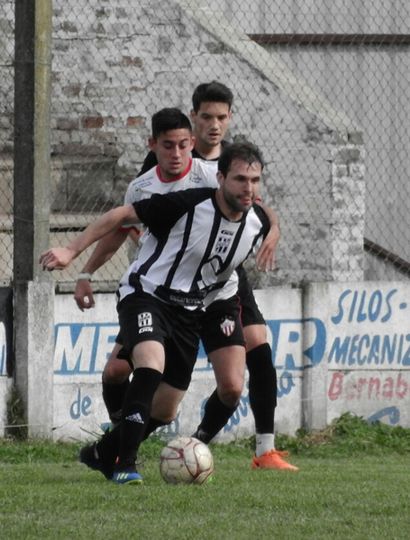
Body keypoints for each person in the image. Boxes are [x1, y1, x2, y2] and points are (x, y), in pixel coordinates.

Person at [75, 83, 298, 471]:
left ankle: (244, 448)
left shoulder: (227, 175)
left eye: (221, 118)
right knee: (124, 370)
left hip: (215, 290)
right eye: (207, 117)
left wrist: (273, 232)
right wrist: (84, 270)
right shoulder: (153, 185)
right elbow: (118, 223)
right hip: (161, 291)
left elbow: (260, 210)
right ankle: (119, 450)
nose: (214, 126)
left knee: (232, 380)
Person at [40, 141, 271, 485]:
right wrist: (71, 252)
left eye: (254, 180)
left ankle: (104, 452)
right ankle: (125, 465)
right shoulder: (187, 204)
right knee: (150, 365)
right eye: (240, 179)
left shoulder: (257, 222)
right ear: (220, 178)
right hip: (146, 294)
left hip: (190, 311)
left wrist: (274, 234)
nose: (248, 188)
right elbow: (121, 216)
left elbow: (268, 219)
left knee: (164, 411)